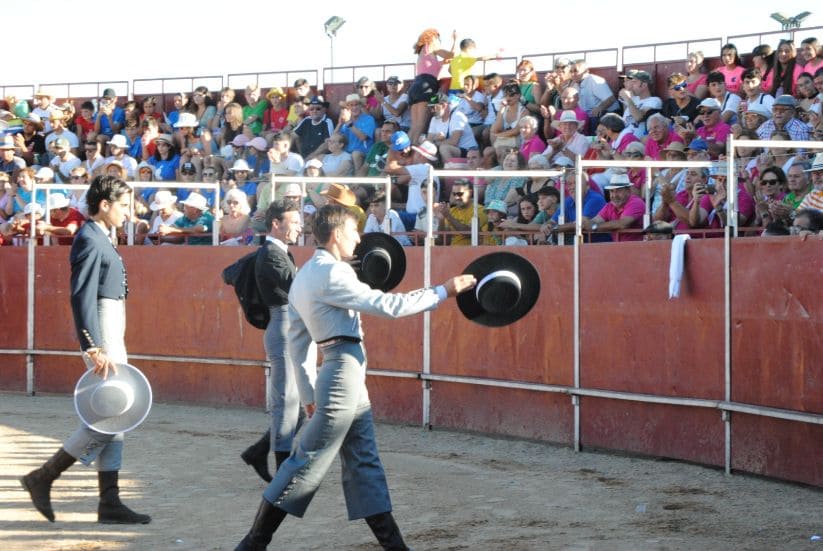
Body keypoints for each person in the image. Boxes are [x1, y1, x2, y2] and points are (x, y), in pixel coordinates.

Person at [233, 203, 476, 550]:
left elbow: (297, 343)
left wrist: (308, 395)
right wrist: (443, 291)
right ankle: (252, 544)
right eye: (353, 231)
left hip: (338, 371)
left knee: (364, 463)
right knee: (308, 460)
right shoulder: (333, 273)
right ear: (335, 235)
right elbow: (388, 307)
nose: (359, 238)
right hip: (343, 371)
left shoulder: (305, 274)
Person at [19, 175, 151, 524]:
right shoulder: (91, 238)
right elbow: (81, 296)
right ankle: (44, 476)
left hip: (112, 322)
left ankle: (109, 501)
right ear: (104, 205)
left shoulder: (101, 236)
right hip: (103, 328)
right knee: (112, 409)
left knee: (118, 413)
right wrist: (92, 346)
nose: (128, 211)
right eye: (123, 204)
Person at [240, 200, 313, 484]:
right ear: (276, 225)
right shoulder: (271, 254)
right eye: (294, 222)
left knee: (295, 403)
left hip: (288, 325)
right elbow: (297, 289)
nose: (299, 227)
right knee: (286, 400)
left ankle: (259, 452)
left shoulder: (277, 252)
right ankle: (284, 470)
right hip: (283, 325)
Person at [408, 28, 457, 144]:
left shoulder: (423, 52)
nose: (439, 41)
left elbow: (446, 59)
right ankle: (413, 152)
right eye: (438, 38)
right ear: (432, 38)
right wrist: (455, 40)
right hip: (427, 87)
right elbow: (452, 55)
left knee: (414, 126)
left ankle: (405, 152)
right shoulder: (431, 46)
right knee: (421, 125)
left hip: (415, 86)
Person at [583, 172, 646, 242]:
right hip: (618, 248)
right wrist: (586, 223)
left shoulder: (636, 203)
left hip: (637, 249)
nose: (614, 195)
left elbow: (622, 224)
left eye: (618, 191)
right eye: (612, 191)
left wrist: (594, 227)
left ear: (628, 191)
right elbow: (595, 220)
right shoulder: (610, 205)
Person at [426, 92, 477, 160]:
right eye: (430, 108)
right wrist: (434, 140)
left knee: (444, 148)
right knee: (422, 145)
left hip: (469, 151)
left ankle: (450, 168)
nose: (432, 110)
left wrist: (435, 143)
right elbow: (429, 140)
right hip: (456, 150)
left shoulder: (457, 116)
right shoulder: (434, 119)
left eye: (434, 107)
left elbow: (453, 142)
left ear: (444, 105)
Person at [435, 179, 485, 246]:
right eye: (454, 194)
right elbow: (442, 240)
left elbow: (470, 233)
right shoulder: (451, 211)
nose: (456, 197)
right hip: (452, 252)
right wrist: (441, 220)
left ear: (470, 193)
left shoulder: (480, 210)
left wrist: (448, 216)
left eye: (460, 194)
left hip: (472, 253)